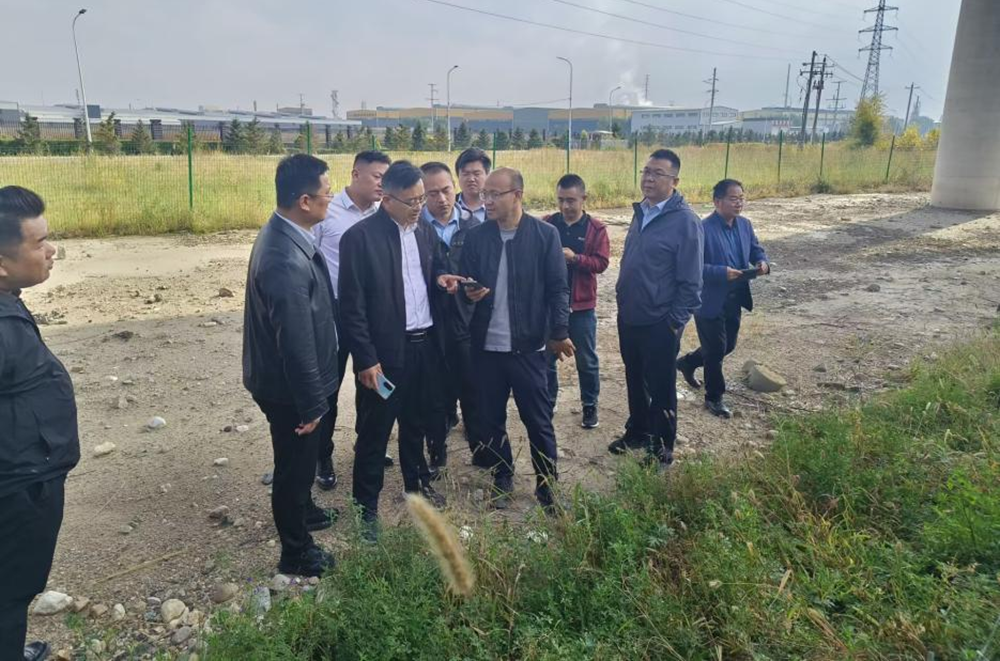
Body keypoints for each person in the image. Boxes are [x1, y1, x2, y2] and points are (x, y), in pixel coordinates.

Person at [450, 167, 573, 512]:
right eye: (485, 194)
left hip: (528, 348)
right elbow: (464, 283)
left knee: (538, 421)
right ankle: (502, 475)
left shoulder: (544, 235)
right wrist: (469, 293)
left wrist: (559, 332)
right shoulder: (477, 237)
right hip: (486, 348)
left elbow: (558, 289)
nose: (486, 200)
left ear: (517, 195)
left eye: (494, 194)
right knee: (489, 419)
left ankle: (547, 487)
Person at [339, 160, 449, 540]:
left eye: (422, 199)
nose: (419, 207)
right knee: (375, 433)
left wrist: (442, 278)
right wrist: (366, 359)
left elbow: (432, 271)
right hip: (385, 356)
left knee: (416, 425)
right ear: (386, 199)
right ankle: (366, 510)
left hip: (423, 346)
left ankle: (417, 487)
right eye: (411, 201)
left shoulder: (424, 232)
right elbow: (351, 308)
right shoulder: (359, 239)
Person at [243, 154, 340, 577]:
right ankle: (297, 552)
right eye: (326, 193)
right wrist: (311, 404)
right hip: (288, 389)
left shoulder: (289, 233)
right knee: (294, 468)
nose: (330, 199)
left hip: (290, 382)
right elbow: (295, 341)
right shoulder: (283, 256)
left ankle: (306, 511)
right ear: (304, 201)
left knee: (300, 462)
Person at [0, 186, 80, 661]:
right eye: (39, 242)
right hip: (18, 488)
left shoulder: (8, 299)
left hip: (24, 477)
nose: (51, 251)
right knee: (10, 591)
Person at [610, 149, 704, 469]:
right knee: (635, 377)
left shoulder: (686, 222)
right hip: (630, 314)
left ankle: (662, 449)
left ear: (674, 181)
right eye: (646, 172)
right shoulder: (642, 211)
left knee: (661, 386)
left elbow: (691, 282)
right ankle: (638, 431)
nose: (648, 178)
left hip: (660, 322)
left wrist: (673, 323)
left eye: (657, 173)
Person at [312, 150, 393, 490]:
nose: (382, 184)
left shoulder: (382, 214)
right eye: (377, 177)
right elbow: (310, 259)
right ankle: (323, 455)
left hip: (369, 316)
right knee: (328, 388)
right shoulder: (326, 211)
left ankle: (367, 442)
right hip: (331, 311)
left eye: (386, 178)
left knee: (371, 384)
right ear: (356, 174)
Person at [677, 179, 769, 418]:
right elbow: (692, 267)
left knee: (728, 345)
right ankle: (714, 397)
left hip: (735, 296)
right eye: (733, 198)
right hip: (708, 299)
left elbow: (755, 249)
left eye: (741, 198)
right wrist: (721, 272)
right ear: (717, 201)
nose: (739, 203)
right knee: (716, 350)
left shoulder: (745, 225)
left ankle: (688, 362)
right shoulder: (702, 229)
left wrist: (762, 262)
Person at [419, 161, 485, 472]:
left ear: (454, 188)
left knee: (474, 389)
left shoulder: (475, 229)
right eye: (432, 193)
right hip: (428, 326)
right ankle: (436, 453)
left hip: (467, 323)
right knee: (432, 394)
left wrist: (480, 288)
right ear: (422, 195)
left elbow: (486, 271)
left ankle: (482, 453)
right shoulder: (414, 230)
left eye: (446, 190)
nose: (442, 199)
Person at [543, 174, 610, 430]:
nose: (565, 206)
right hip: (551, 305)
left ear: (584, 198)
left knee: (587, 360)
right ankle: (548, 401)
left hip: (581, 305)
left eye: (571, 200)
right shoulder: (548, 224)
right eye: (561, 200)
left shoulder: (596, 229)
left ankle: (589, 405)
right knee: (547, 357)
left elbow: (602, 263)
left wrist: (575, 259)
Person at [454, 147, 491, 224]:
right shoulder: (450, 205)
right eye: (466, 174)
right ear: (458, 175)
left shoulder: (497, 206)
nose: (471, 179)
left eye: (476, 174)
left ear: (487, 175)